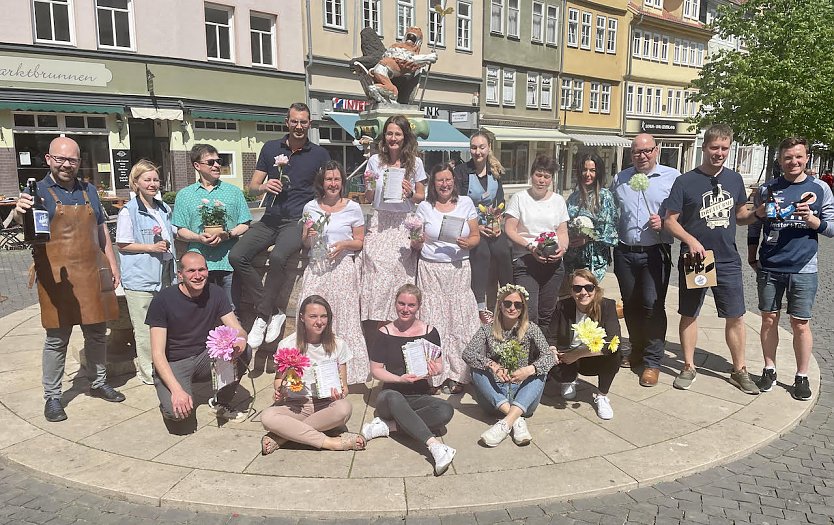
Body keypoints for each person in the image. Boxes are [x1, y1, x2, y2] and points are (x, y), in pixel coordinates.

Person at [13, 137, 125, 423]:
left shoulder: (89, 190)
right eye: (60, 159)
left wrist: (112, 264)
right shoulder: (36, 191)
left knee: (97, 333)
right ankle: (52, 396)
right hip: (56, 278)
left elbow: (101, 229)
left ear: (78, 161)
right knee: (56, 339)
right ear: (49, 160)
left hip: (91, 271)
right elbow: (20, 221)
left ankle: (98, 382)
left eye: (72, 160)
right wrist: (17, 211)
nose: (66, 165)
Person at [664, 124, 761, 394]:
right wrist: (690, 240)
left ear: (729, 149)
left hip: (727, 258)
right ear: (705, 147)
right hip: (698, 258)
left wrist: (757, 214)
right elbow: (670, 221)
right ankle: (688, 366)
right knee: (690, 313)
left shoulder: (734, 180)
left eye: (724, 148)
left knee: (736, 316)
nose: (719, 153)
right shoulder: (685, 181)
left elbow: (741, 216)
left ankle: (739, 370)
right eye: (714, 147)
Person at [230, 103, 330, 348]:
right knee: (236, 255)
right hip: (270, 218)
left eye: (303, 122)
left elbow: (329, 187)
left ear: (309, 124)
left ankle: (262, 316)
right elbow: (253, 185)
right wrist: (265, 186)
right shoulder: (271, 147)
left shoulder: (319, 154)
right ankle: (272, 310)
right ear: (287, 121)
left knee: (278, 258)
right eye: (294, 121)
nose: (299, 126)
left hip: (297, 220)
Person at [748, 137, 834, 400]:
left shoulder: (820, 189)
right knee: (768, 319)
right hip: (771, 265)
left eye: (798, 156)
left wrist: (812, 220)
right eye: (788, 157)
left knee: (800, 324)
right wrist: (752, 257)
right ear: (780, 160)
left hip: (803, 267)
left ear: (806, 157)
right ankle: (769, 368)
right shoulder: (767, 189)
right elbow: (754, 225)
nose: (793, 162)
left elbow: (831, 228)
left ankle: (801, 375)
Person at [147, 252, 252, 430]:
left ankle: (221, 402)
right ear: (180, 275)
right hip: (175, 362)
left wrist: (240, 339)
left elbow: (237, 328)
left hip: (204, 357)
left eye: (202, 269)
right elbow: (157, 353)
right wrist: (177, 390)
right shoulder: (162, 301)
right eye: (191, 271)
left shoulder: (216, 293)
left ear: (207, 270)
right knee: (178, 416)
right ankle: (166, 393)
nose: (198, 275)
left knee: (245, 350)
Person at [361, 284, 456, 476]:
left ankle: (389, 426)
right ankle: (435, 446)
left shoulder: (430, 331)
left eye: (411, 305)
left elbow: (439, 365)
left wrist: (434, 371)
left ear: (418, 306)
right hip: (391, 395)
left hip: (418, 395)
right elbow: (376, 370)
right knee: (394, 398)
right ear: (395, 303)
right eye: (401, 304)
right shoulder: (384, 333)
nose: (405, 309)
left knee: (446, 410)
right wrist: (399, 379)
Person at [610, 133, 679, 386]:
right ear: (631, 154)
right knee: (630, 304)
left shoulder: (672, 178)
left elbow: (683, 214)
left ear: (657, 150)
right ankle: (637, 349)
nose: (643, 156)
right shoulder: (620, 179)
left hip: (655, 251)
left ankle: (652, 361)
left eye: (647, 150)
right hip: (625, 251)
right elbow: (611, 211)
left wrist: (665, 223)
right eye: (637, 152)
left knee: (652, 306)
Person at [260, 295, 365, 454]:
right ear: (302, 317)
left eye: (324, 316)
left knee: (344, 408)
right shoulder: (287, 344)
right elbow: (278, 380)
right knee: (267, 416)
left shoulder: (338, 345)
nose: (319, 321)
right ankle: (330, 442)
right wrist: (279, 390)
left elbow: (344, 387)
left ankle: (285, 436)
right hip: (295, 405)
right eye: (313, 316)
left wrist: (341, 393)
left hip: (325, 406)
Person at [412, 163, 481, 394]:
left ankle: (460, 374)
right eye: (440, 180)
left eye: (448, 180)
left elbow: (475, 236)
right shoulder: (424, 207)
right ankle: (435, 375)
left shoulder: (466, 203)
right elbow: (416, 242)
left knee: (459, 321)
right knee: (434, 321)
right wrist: (415, 238)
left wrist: (468, 243)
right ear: (433, 183)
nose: (444, 184)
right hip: (431, 269)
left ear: (454, 181)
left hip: (458, 268)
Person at [298, 161, 368, 384]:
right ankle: (310, 368)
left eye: (337, 179)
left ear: (342, 182)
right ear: (322, 182)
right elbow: (306, 243)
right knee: (312, 316)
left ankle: (346, 371)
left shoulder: (353, 208)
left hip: (342, 269)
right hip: (317, 267)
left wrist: (344, 245)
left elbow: (359, 243)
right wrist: (308, 235)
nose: (333, 183)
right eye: (329, 179)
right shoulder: (310, 207)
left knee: (344, 318)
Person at [462, 284, 555, 446]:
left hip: (523, 395)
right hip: (495, 398)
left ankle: (506, 422)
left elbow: (549, 356)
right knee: (476, 368)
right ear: (500, 305)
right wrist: (491, 364)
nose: (512, 308)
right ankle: (515, 420)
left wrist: (528, 370)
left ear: (523, 308)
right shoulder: (487, 330)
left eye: (518, 305)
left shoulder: (530, 328)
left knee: (541, 370)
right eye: (507, 303)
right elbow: (467, 354)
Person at [359, 115, 427, 336]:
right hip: (380, 221)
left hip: (403, 223)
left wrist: (410, 193)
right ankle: (379, 329)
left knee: (398, 273)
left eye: (398, 134)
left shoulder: (415, 162)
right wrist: (368, 185)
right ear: (384, 136)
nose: (393, 138)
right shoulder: (374, 161)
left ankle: (397, 328)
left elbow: (420, 196)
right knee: (375, 266)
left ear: (405, 136)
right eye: (389, 133)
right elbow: (369, 197)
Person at [116, 159, 177, 385]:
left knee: (163, 325)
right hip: (141, 278)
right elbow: (123, 244)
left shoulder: (163, 207)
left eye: (155, 179)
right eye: (147, 179)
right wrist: (151, 247)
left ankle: (163, 365)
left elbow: (171, 234)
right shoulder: (128, 211)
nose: (152, 184)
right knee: (144, 329)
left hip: (164, 274)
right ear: (136, 182)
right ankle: (148, 372)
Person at [172, 144, 251, 309]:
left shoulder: (234, 192)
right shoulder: (185, 195)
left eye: (218, 161)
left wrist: (228, 234)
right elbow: (180, 230)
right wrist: (198, 238)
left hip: (228, 261)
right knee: (200, 311)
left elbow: (245, 223)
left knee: (231, 310)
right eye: (211, 162)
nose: (217, 165)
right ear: (197, 166)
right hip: (198, 266)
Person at [453, 130, 512, 323]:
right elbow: (458, 203)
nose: (477, 151)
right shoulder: (462, 172)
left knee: (504, 251)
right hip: (472, 225)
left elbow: (500, 199)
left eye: (481, 147)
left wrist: (497, 223)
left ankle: (509, 297)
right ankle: (480, 306)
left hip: (493, 224)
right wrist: (477, 226)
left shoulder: (495, 170)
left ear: (488, 149)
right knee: (482, 254)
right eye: (474, 147)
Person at [504, 154, 569, 328]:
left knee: (547, 313)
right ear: (532, 175)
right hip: (526, 261)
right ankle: (528, 353)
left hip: (553, 263)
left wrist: (562, 248)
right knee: (529, 312)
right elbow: (509, 229)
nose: (542, 180)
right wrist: (530, 246)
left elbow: (562, 232)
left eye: (546, 177)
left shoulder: (558, 201)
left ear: (551, 179)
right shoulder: (519, 198)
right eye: (538, 175)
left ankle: (544, 352)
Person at [547, 269, 621, 420]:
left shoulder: (607, 306)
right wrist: (552, 350)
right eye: (577, 288)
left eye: (588, 287)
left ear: (595, 288)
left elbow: (613, 342)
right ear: (571, 291)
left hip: (591, 358)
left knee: (615, 354)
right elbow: (551, 336)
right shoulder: (562, 306)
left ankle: (602, 396)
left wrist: (578, 354)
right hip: (566, 357)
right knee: (546, 355)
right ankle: (568, 379)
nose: (583, 292)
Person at [564, 154, 619, 282]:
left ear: (598, 172)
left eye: (592, 170)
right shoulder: (573, 197)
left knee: (587, 297)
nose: (587, 174)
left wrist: (588, 239)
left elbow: (612, 235)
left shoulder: (605, 197)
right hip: (571, 261)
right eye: (584, 169)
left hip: (593, 262)